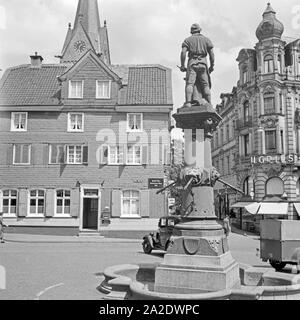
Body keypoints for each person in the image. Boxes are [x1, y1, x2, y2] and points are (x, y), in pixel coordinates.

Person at [180, 23, 215, 106]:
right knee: (205, 85)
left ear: (191, 31)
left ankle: (188, 103)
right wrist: (212, 66)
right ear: (200, 30)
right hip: (203, 63)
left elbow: (183, 52)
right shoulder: (206, 40)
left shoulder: (187, 40)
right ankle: (209, 103)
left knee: (190, 84)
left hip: (192, 63)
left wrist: (182, 65)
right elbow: (212, 54)